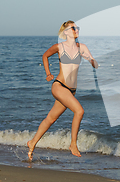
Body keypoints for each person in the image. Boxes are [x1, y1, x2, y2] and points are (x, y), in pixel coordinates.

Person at [27, 20, 97, 160]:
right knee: (79, 111)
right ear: (66, 32)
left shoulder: (82, 47)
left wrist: (92, 60)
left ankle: (32, 142)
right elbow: (45, 56)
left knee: (51, 118)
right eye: (73, 28)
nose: (76, 30)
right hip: (59, 86)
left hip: (71, 90)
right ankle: (72, 144)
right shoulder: (59, 47)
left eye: (77, 28)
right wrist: (48, 73)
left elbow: (94, 64)